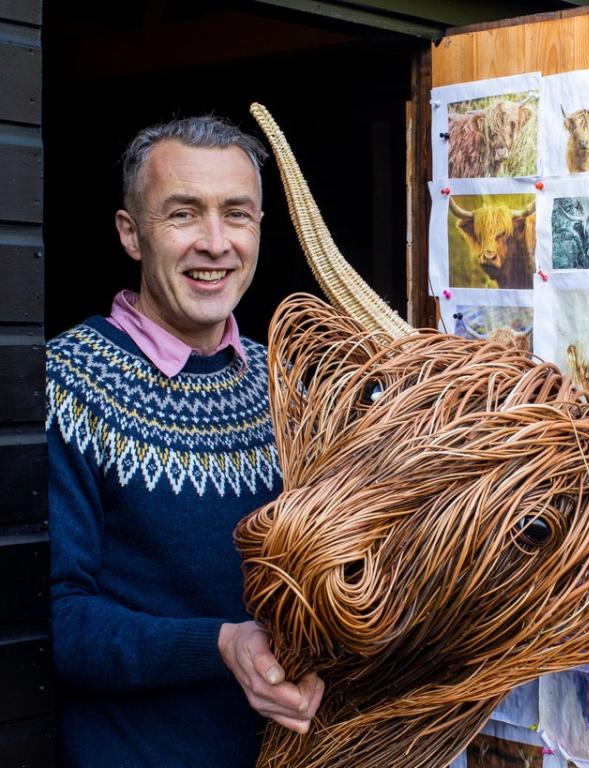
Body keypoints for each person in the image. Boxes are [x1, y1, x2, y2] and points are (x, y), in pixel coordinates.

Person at [46, 116, 324, 767]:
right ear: (130, 234)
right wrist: (220, 645)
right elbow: (52, 621)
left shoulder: (287, 388)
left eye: (237, 214)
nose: (215, 242)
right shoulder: (66, 385)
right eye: (182, 214)